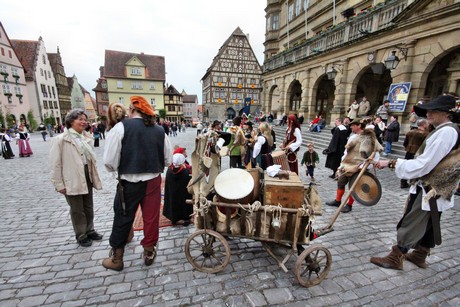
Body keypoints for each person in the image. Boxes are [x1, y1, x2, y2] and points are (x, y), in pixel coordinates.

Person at [370, 95, 459, 270]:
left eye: (434, 110)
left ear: (447, 113)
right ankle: (420, 255)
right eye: (428, 110)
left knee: (411, 221)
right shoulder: (447, 129)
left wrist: (391, 162)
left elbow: (424, 164)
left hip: (431, 189)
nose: (429, 114)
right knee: (431, 222)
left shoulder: (446, 132)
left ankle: (395, 258)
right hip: (438, 188)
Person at [102, 96, 172, 271]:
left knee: (123, 216)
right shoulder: (160, 130)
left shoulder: (120, 127)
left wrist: (121, 167)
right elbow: (168, 159)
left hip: (129, 181)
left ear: (133, 110)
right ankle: (149, 251)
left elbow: (110, 161)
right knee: (151, 217)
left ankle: (117, 259)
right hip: (153, 181)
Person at [49, 109, 103, 247]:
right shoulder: (61, 140)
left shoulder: (86, 138)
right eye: (80, 119)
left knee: (88, 205)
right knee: (77, 209)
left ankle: (90, 230)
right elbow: (55, 163)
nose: (84, 122)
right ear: (71, 121)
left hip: (86, 174)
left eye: (85, 119)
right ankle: (81, 234)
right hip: (71, 176)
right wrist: (59, 184)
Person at [325, 119, 382, 213]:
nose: (350, 127)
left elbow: (375, 157)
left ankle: (349, 205)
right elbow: (346, 152)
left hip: (359, 167)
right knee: (340, 182)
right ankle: (337, 201)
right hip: (347, 165)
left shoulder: (371, 140)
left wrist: (364, 166)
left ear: (359, 126)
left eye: (352, 125)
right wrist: (342, 164)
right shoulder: (353, 138)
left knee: (353, 187)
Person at [163, 153, 193, 226]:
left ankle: (174, 218)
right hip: (182, 196)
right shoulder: (185, 172)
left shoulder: (169, 171)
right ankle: (185, 218)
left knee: (173, 201)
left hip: (173, 195)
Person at [400, 119, 429, 188]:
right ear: (424, 125)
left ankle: (403, 182)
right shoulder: (425, 134)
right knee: (415, 167)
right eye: (427, 124)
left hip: (408, 152)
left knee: (406, 166)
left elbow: (405, 143)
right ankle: (412, 182)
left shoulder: (410, 132)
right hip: (417, 153)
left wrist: (407, 147)